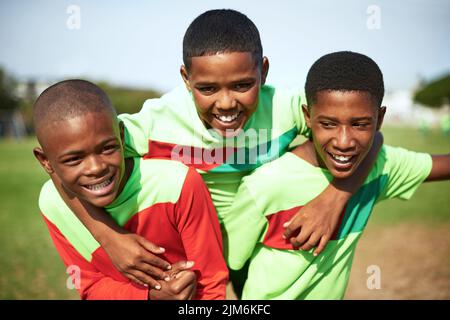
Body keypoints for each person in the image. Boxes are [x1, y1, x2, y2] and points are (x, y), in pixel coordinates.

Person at [47, 9, 382, 296]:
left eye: (242, 85)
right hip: (194, 247)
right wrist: (110, 237)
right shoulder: (154, 122)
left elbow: (366, 137)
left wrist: (335, 198)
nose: (226, 103)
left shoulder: (287, 107)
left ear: (263, 71)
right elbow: (69, 166)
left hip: (258, 239)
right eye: (207, 88)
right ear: (186, 79)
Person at [223, 51, 450, 299]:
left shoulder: (380, 167)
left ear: (380, 119)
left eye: (360, 124)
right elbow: (232, 264)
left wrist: (335, 197)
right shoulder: (264, 185)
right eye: (328, 124)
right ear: (308, 117)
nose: (344, 142)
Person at [33, 80, 228, 300]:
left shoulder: (176, 183)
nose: (96, 168)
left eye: (107, 148)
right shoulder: (52, 204)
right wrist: (150, 296)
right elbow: (89, 288)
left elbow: (211, 284)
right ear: (45, 161)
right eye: (74, 159)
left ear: (122, 136)